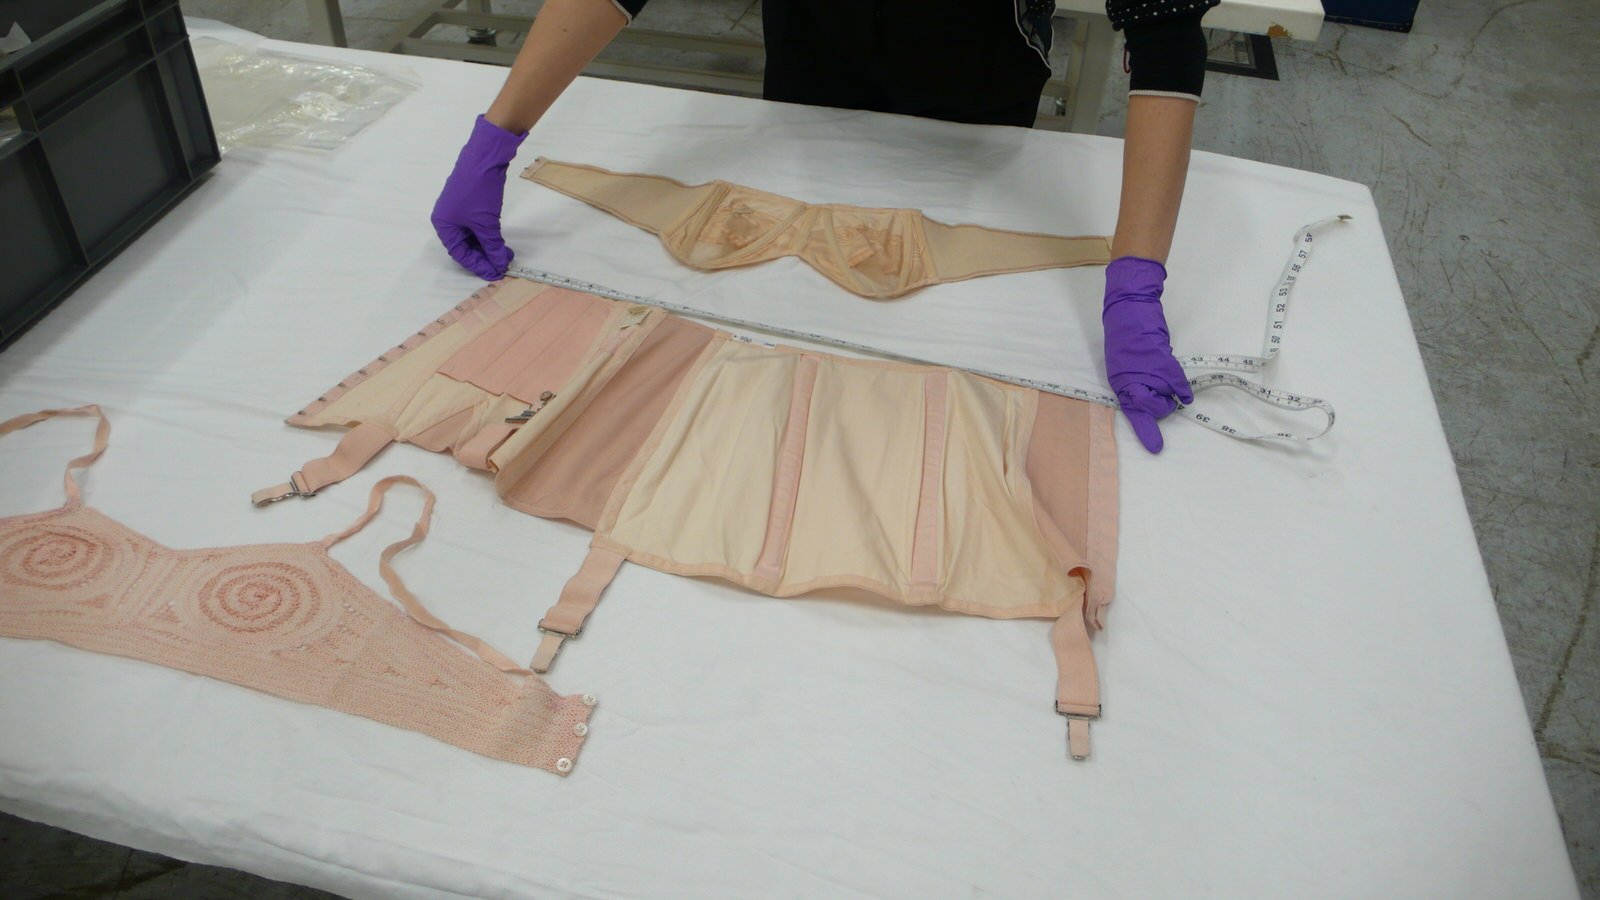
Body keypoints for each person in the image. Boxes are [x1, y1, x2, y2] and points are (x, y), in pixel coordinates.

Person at [430, 0, 1219, 452]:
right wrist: (500, 133)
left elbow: (1165, 30)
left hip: (974, 63)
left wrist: (1135, 275)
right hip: (815, 47)